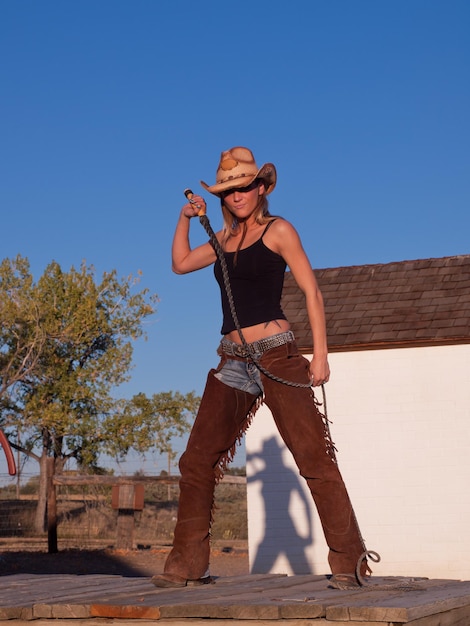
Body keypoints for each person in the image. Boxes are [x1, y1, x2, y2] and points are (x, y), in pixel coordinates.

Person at [151, 146, 369, 590]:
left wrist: (321, 354)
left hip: (276, 355)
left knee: (312, 455)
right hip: (232, 361)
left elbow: (312, 291)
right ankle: (187, 562)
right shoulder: (223, 240)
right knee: (196, 460)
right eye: (229, 190)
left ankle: (349, 559)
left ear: (261, 187)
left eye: (245, 186)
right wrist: (184, 219)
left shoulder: (278, 230)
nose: (238, 195)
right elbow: (178, 264)